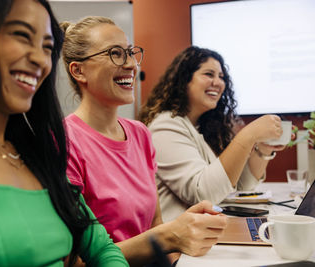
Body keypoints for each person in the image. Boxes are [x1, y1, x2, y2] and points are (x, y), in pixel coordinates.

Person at [0, 1, 128, 266]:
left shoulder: (35, 150)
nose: (41, 59)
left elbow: (104, 250)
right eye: (21, 35)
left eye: (47, 47)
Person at [60, 17, 228, 266]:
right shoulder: (64, 141)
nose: (130, 64)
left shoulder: (140, 134)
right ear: (78, 70)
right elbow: (71, 261)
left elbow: (154, 225)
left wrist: (178, 240)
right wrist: (168, 236)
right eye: (115, 53)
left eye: (130, 53)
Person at [139, 46, 286, 222]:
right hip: (180, 242)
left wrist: (263, 150)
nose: (218, 82)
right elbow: (203, 194)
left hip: (204, 231)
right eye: (209, 74)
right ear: (184, 79)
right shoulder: (165, 126)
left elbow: (242, 186)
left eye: (221, 77)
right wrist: (249, 135)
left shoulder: (204, 128)